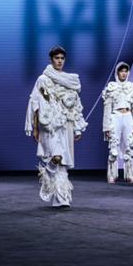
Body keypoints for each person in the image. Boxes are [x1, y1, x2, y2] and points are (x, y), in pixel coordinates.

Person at [25, 46, 87, 207]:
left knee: (63, 161)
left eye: (62, 58)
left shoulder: (70, 80)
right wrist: (35, 128)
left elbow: (75, 105)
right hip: (49, 125)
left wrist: (77, 127)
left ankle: (61, 199)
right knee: (56, 157)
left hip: (65, 124)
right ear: (51, 59)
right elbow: (35, 103)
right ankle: (48, 172)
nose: (59, 61)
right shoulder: (43, 79)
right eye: (56, 58)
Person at [101, 61, 133, 184]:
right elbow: (107, 108)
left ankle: (130, 175)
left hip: (128, 116)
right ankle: (112, 175)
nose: (123, 73)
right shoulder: (111, 87)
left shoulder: (132, 87)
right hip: (115, 116)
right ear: (117, 73)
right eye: (121, 71)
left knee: (129, 145)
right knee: (113, 145)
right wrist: (106, 127)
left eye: (125, 71)